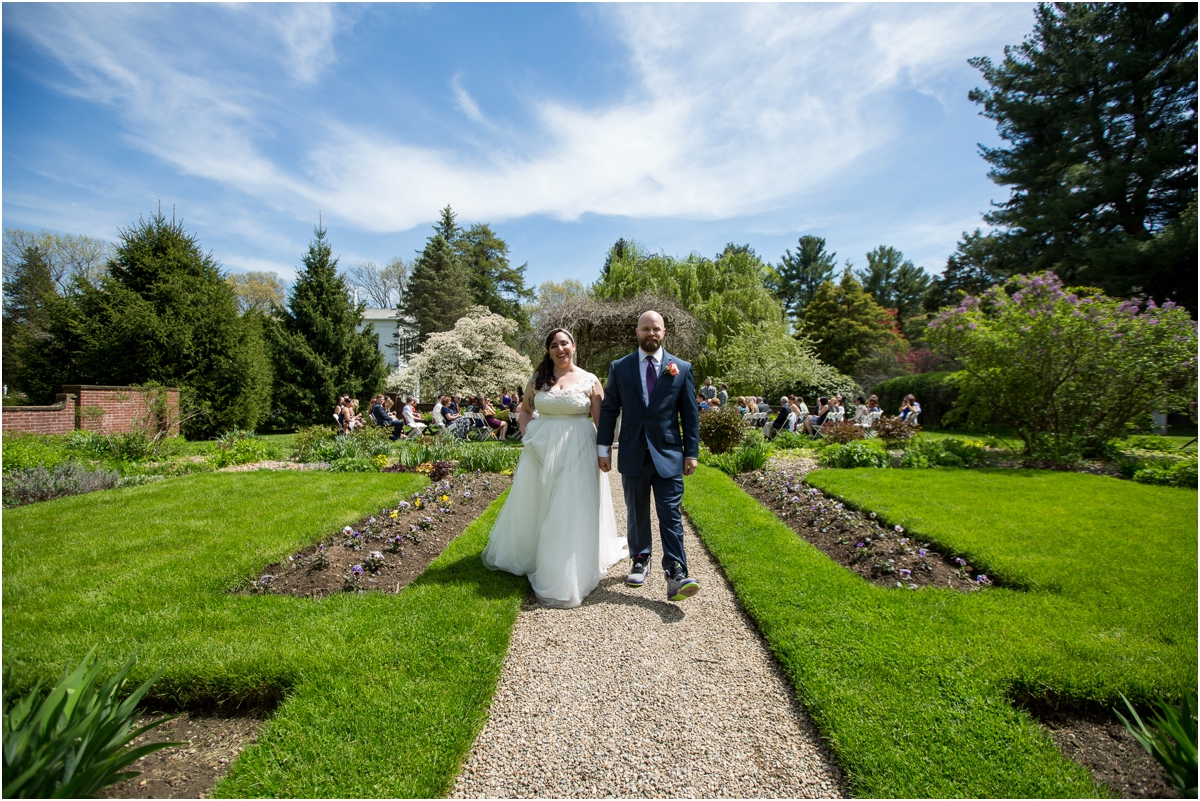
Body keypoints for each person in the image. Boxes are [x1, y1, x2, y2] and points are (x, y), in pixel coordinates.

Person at [482, 329, 625, 608]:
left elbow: (601, 422)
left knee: (568, 507)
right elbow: (524, 410)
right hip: (541, 451)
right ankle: (536, 555)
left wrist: (603, 453)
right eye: (554, 345)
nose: (560, 349)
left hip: (579, 450)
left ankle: (564, 570)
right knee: (539, 504)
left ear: (574, 346)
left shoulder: (590, 381)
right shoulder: (538, 379)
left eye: (564, 344)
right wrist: (527, 434)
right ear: (548, 351)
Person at [597, 310, 702, 602]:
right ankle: (640, 559)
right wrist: (603, 448)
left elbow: (689, 416)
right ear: (637, 332)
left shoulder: (680, 368)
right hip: (632, 452)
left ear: (664, 332)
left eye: (656, 329)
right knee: (636, 510)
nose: (651, 334)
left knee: (670, 513)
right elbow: (609, 409)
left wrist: (690, 452)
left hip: (669, 453)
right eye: (646, 329)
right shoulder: (620, 367)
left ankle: (676, 572)